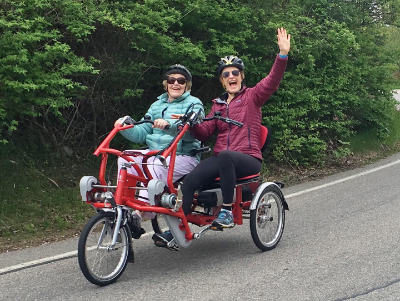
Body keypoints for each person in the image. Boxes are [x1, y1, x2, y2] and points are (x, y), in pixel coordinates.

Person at [154, 28, 291, 246]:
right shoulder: (217, 105)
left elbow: (272, 81)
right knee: (189, 182)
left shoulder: (252, 97)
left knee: (226, 156)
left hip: (248, 159)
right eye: (226, 74)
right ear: (222, 81)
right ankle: (179, 228)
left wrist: (282, 55)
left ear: (241, 76)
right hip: (223, 161)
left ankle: (226, 211)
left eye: (235, 73)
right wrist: (191, 123)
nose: (231, 77)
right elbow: (205, 132)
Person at [115, 64, 204, 234]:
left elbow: (194, 130)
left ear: (187, 85)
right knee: (125, 157)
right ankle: (122, 205)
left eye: (181, 80)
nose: (175, 84)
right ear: (166, 83)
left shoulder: (194, 103)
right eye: (172, 80)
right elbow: (142, 132)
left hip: (184, 155)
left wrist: (169, 126)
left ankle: (141, 211)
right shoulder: (156, 105)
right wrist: (125, 128)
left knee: (155, 164)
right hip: (157, 154)